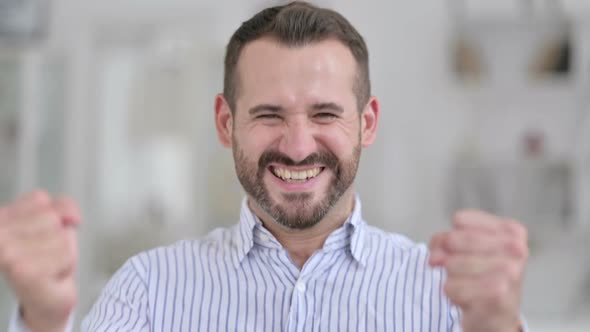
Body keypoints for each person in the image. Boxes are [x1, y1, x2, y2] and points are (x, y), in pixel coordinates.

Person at [2, 2, 529, 331]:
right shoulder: (148, 290)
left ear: (367, 122)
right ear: (226, 122)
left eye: (324, 113)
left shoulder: (447, 298)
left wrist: (499, 327)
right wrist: (45, 323)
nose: (298, 147)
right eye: (269, 114)